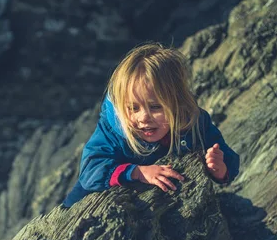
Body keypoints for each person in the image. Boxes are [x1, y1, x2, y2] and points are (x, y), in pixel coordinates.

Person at [63, 43, 240, 208]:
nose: (143, 118)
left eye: (155, 107)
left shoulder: (195, 123)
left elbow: (229, 161)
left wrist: (219, 168)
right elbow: (90, 171)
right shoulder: (114, 130)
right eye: (133, 108)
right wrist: (137, 172)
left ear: (178, 102)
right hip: (83, 211)